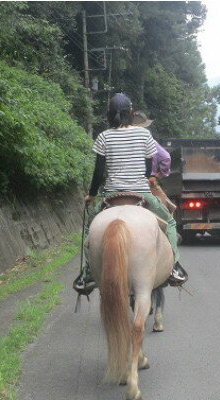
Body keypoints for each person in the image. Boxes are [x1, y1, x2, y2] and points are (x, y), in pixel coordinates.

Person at [73, 93, 188, 296]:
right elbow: (147, 169)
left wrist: (91, 195)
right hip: (141, 192)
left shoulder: (104, 136)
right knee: (169, 222)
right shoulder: (144, 135)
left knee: (90, 229)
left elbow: (98, 172)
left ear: (108, 115)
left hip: (111, 194)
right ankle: (174, 267)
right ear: (132, 113)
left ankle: (88, 272)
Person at [132, 111, 176, 214]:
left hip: (123, 183)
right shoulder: (151, 141)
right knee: (169, 214)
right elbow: (166, 157)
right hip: (147, 183)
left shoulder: (123, 141)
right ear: (145, 126)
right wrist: (160, 174)